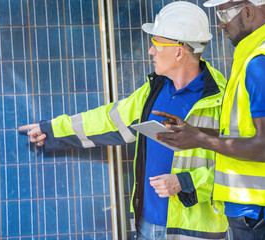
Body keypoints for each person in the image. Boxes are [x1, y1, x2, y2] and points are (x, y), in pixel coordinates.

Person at [19, 2, 228, 239]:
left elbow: (241, 168)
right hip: (146, 226)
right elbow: (108, 120)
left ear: (179, 52)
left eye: (157, 45)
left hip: (195, 233)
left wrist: (187, 182)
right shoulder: (155, 90)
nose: (151, 51)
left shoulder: (222, 100)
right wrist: (53, 130)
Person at [154, 0, 265, 239]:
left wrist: (201, 140)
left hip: (258, 207)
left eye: (224, 14)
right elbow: (251, 133)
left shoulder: (262, 62)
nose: (221, 25)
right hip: (261, 206)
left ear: (247, 11)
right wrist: (195, 133)